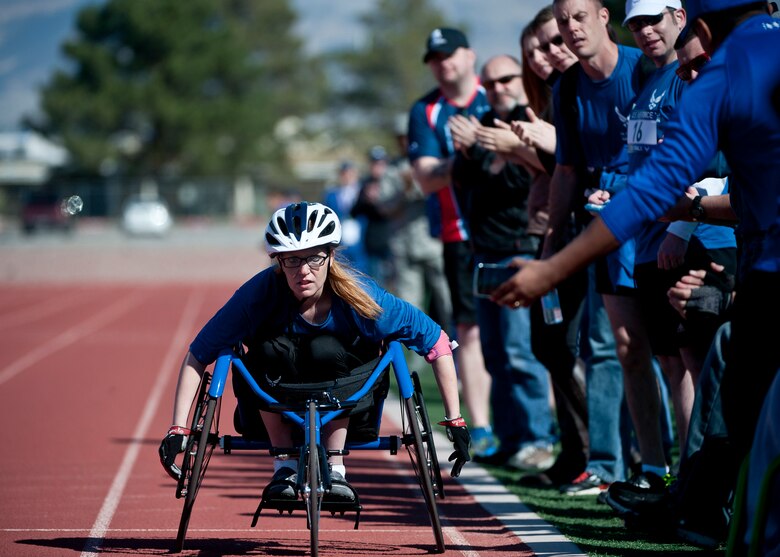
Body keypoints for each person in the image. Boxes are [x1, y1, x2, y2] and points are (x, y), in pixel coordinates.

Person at [491, 0, 780, 521]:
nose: (690, 74)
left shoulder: (722, 71)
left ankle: (697, 507)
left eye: (694, 62)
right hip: (749, 260)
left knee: (723, 390)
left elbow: (653, 189)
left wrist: (553, 268)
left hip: (762, 269)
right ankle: (693, 499)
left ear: (699, 26)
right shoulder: (717, 62)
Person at [159, 202, 471, 503]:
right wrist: (178, 428)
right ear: (278, 261)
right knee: (266, 348)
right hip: (274, 400)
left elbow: (436, 342)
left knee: (325, 349)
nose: (303, 271)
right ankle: (284, 467)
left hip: (349, 402)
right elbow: (199, 353)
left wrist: (455, 420)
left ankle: (336, 469)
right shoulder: (258, 295)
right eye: (292, 260)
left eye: (314, 258)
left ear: (331, 256)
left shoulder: (364, 298)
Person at [449, 54, 560, 472]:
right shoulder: (481, 124)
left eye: (505, 79)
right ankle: (512, 437)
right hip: (485, 250)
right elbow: (464, 177)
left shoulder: (529, 120)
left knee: (520, 350)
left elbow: (528, 177)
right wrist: (472, 149)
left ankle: (538, 438)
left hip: (520, 249)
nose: (497, 88)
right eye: (490, 82)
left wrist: (496, 150)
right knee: (495, 353)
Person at [407, 28, 497, 460]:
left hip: (511, 231)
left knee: (522, 331)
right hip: (457, 234)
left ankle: (537, 426)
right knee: (470, 328)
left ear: (470, 54)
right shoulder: (426, 111)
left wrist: (486, 144)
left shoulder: (495, 93)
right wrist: (466, 155)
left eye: (449, 53)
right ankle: (481, 424)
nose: (442, 62)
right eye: (434, 56)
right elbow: (425, 178)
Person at [322, 160, 368, 273]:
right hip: (340, 242)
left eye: (350, 173)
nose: (347, 176)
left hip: (362, 240)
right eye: (344, 173)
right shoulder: (331, 194)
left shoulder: (364, 192)